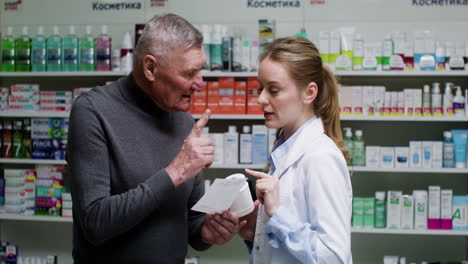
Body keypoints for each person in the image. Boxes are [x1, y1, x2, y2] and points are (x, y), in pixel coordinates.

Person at [67, 13, 243, 263]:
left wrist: (207, 231)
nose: (200, 84)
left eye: (200, 70)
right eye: (189, 73)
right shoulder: (93, 111)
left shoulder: (184, 121)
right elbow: (95, 223)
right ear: (150, 68)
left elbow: (191, 223)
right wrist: (175, 172)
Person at [239, 36, 353, 263]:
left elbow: (334, 257)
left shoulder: (321, 157)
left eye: (274, 90)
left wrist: (277, 216)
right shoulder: (284, 152)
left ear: (309, 93)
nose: (261, 99)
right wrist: (256, 234)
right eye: (261, 88)